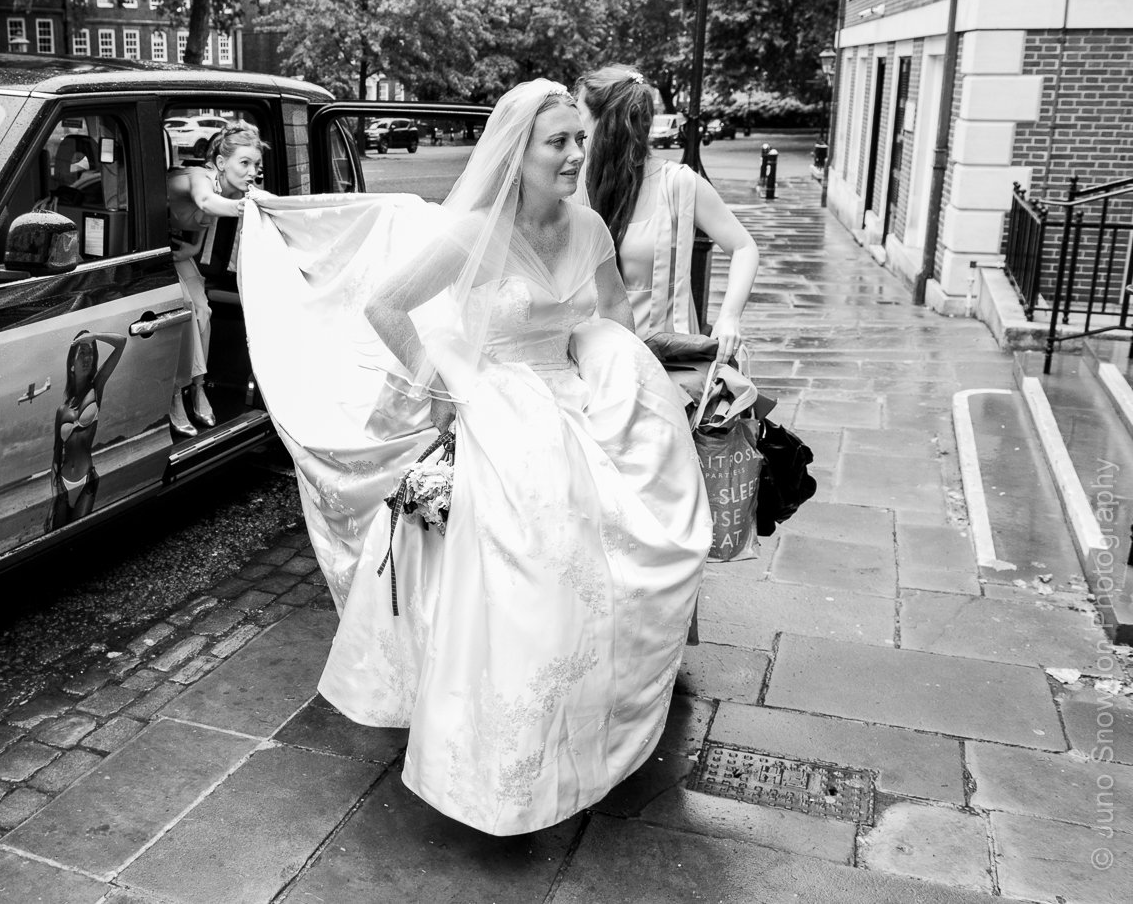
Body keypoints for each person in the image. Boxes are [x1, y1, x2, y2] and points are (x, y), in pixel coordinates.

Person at [238, 81, 711, 836]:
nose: (573, 155)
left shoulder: (587, 226)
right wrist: (451, 388)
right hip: (502, 413)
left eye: (577, 140)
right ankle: (506, 752)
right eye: (556, 142)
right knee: (533, 565)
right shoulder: (473, 235)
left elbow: (616, 317)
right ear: (516, 154)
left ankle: (592, 708)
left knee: (627, 548)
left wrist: (651, 373)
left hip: (576, 405)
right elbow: (387, 306)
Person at [574, 65, 759, 367]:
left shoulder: (679, 184)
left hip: (666, 363)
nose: (574, 127)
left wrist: (729, 317)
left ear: (607, 124)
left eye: (579, 114)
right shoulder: (572, 182)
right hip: (589, 360)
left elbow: (743, 247)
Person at [165, 123, 262, 434]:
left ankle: (197, 387)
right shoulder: (199, 178)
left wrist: (187, 249)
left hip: (174, 255)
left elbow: (195, 236)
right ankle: (177, 394)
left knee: (203, 311)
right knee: (185, 312)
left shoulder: (230, 190)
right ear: (221, 163)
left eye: (256, 165)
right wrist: (244, 208)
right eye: (244, 163)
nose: (252, 172)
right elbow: (205, 203)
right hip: (143, 254)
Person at [52, 330, 126, 528]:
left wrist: (95, 336)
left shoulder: (96, 389)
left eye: (91, 352)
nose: (87, 357)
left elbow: (121, 343)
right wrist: (56, 489)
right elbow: (56, 456)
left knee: (76, 534)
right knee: (56, 538)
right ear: (71, 364)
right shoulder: (62, 411)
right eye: (82, 352)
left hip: (87, 479)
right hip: (63, 484)